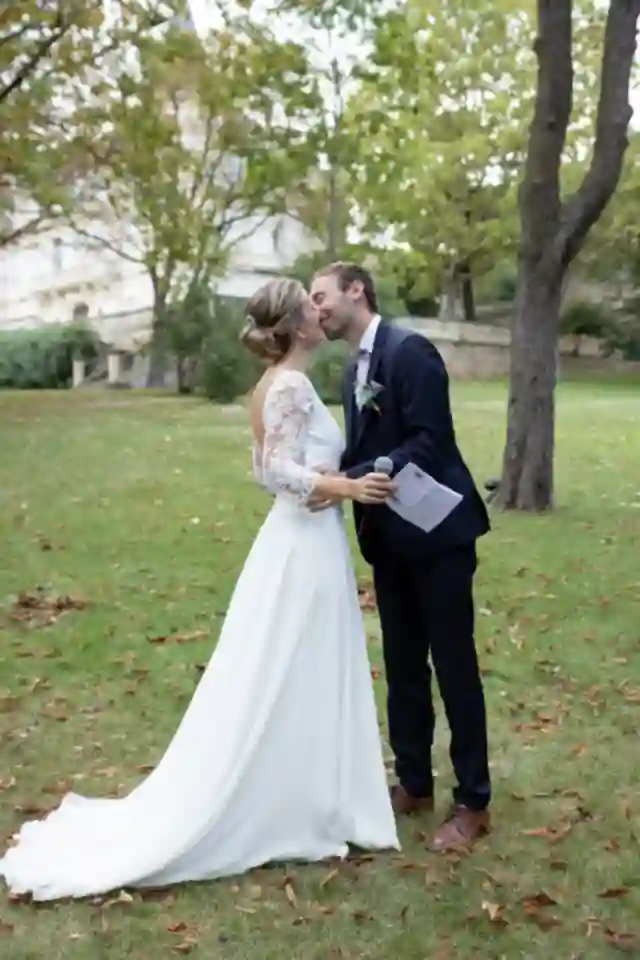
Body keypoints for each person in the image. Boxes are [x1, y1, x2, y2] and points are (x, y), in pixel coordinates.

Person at [0, 278, 399, 903]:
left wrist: (325, 480)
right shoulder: (289, 385)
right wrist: (344, 487)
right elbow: (273, 471)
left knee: (296, 667)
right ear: (296, 327)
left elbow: (267, 465)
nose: (322, 314)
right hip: (304, 546)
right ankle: (300, 802)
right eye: (311, 308)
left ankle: (314, 792)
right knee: (296, 666)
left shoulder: (274, 385)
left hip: (302, 542)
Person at [309, 262, 492, 851]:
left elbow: (429, 441)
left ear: (356, 289)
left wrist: (348, 478)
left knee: (453, 665)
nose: (316, 310)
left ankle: (473, 801)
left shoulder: (411, 352)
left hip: (438, 536)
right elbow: (369, 441)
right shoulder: (350, 370)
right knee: (405, 666)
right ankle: (413, 781)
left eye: (322, 296)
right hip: (388, 537)